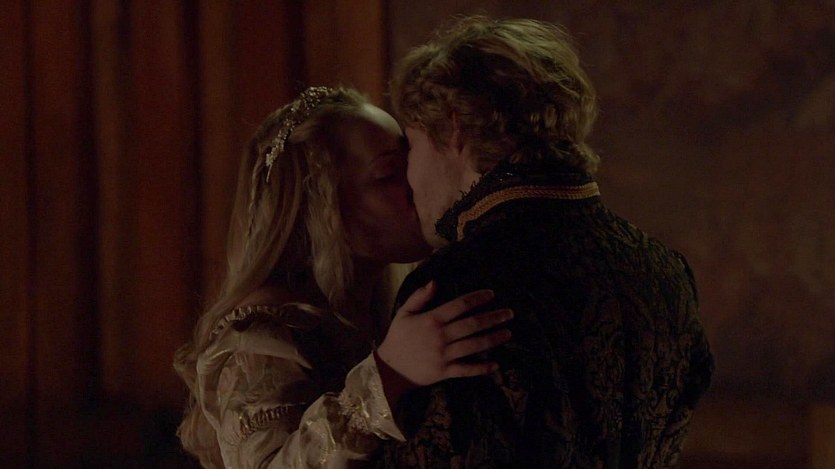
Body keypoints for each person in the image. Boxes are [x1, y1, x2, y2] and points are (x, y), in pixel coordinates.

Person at [375, 16, 715, 468]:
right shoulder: (666, 272)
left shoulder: (454, 285)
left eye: (412, 146)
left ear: (455, 129)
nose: (409, 177)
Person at [173, 86, 514, 468]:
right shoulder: (261, 335)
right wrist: (387, 376)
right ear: (323, 207)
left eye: (412, 159)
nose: (416, 181)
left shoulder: (390, 304)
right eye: (389, 173)